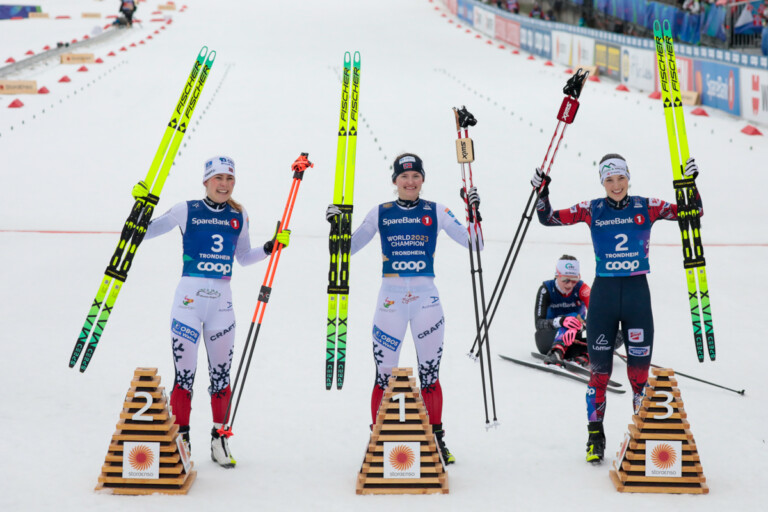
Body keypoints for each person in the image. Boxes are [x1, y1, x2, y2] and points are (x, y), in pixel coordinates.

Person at [532, 153, 702, 464]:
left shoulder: (646, 206)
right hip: (604, 298)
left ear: (628, 177)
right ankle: (595, 436)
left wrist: (689, 185)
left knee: (639, 377)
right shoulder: (592, 209)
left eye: (621, 178)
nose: (616, 184)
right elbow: (549, 218)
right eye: (609, 179)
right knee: (600, 373)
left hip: (637, 296)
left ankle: (640, 436)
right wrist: (542, 193)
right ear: (602, 182)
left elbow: (692, 213)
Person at [326, 153, 483, 466]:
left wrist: (474, 213)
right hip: (391, 301)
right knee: (384, 375)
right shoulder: (380, 213)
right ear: (395, 181)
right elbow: (346, 249)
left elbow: (475, 244)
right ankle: (376, 440)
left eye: (415, 176)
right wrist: (337, 226)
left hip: (427, 301)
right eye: (404, 177)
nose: (410, 182)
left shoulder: (437, 211)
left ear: (422, 179)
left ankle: (437, 438)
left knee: (430, 375)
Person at [138, 155, 292, 468]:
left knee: (221, 376)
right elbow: (145, 232)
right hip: (188, 304)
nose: (224, 185)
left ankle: (219, 438)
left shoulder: (239, 213)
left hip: (222, 305)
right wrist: (140, 209)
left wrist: (270, 246)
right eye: (218, 178)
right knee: (185, 375)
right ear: (206, 181)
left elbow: (244, 257)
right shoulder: (186, 209)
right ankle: (182, 438)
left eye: (229, 179)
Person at [534, 255, 589, 367]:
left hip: (573, 339)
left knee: (617, 334)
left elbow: (599, 316)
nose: (570, 285)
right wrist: (561, 321)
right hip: (548, 339)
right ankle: (556, 352)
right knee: (573, 316)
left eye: (574, 280)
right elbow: (539, 324)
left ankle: (585, 356)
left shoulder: (582, 288)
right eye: (565, 280)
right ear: (557, 275)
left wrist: (582, 326)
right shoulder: (546, 289)